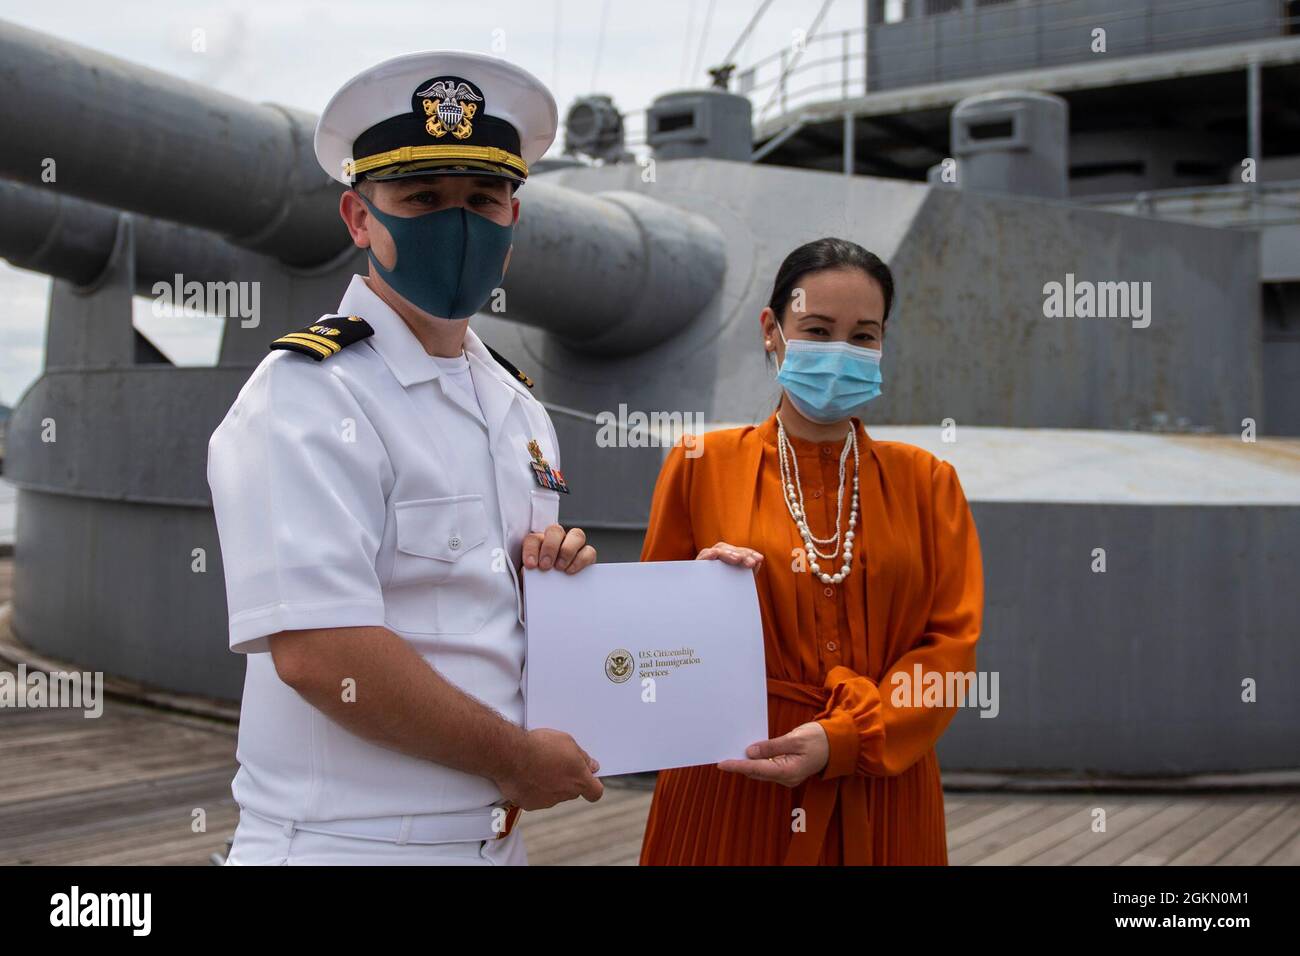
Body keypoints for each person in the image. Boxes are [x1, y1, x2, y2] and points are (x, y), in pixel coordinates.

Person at [207, 50, 601, 866]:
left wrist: (556, 575)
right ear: (359, 218)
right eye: (422, 198)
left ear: (513, 222)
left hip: (495, 844)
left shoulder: (520, 410)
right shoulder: (310, 395)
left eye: (483, 198)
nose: (456, 223)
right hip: (348, 846)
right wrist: (520, 762)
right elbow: (321, 655)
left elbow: (487, 612)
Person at [637, 238, 984, 865]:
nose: (840, 354)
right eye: (818, 330)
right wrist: (694, 594)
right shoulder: (698, 465)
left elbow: (950, 647)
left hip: (883, 784)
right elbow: (648, 643)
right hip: (734, 779)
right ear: (772, 330)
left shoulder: (929, 483)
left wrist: (850, 737)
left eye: (863, 337)